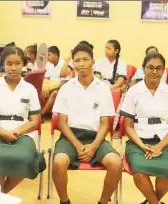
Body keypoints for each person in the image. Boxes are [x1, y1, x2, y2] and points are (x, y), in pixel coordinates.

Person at [52, 44, 122, 204]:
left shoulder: (104, 89)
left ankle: (103, 201)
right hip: (70, 137)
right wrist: (77, 145)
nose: (81, 64)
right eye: (77, 61)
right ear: (73, 64)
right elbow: (62, 123)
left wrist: (94, 146)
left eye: (85, 59)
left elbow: (105, 123)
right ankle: (64, 201)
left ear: (93, 62)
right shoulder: (66, 88)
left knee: (116, 163)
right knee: (58, 162)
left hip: (95, 137)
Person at [120, 52, 168, 204]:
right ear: (143, 69)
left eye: (159, 68)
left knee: (167, 172)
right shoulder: (133, 91)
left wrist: (159, 147)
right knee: (139, 171)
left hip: (164, 140)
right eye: (150, 67)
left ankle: (150, 201)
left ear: (163, 71)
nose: (154, 71)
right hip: (138, 140)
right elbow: (128, 127)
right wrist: (142, 146)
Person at [0, 46, 46, 193]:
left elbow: (35, 121)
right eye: (9, 64)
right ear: (3, 64)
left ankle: (0, 197)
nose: (13, 68)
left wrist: (16, 132)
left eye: (17, 63)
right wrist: (3, 133)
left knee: (28, 160)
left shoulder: (30, 89)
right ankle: (1, 198)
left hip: (22, 133)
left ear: (23, 64)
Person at [41, 46, 70, 121]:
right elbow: (46, 80)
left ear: (55, 55)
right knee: (40, 91)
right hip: (51, 87)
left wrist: (49, 90)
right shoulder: (48, 64)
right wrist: (45, 89)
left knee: (54, 93)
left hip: (62, 88)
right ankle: (43, 113)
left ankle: (42, 114)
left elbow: (63, 83)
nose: (47, 57)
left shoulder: (63, 64)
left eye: (49, 55)